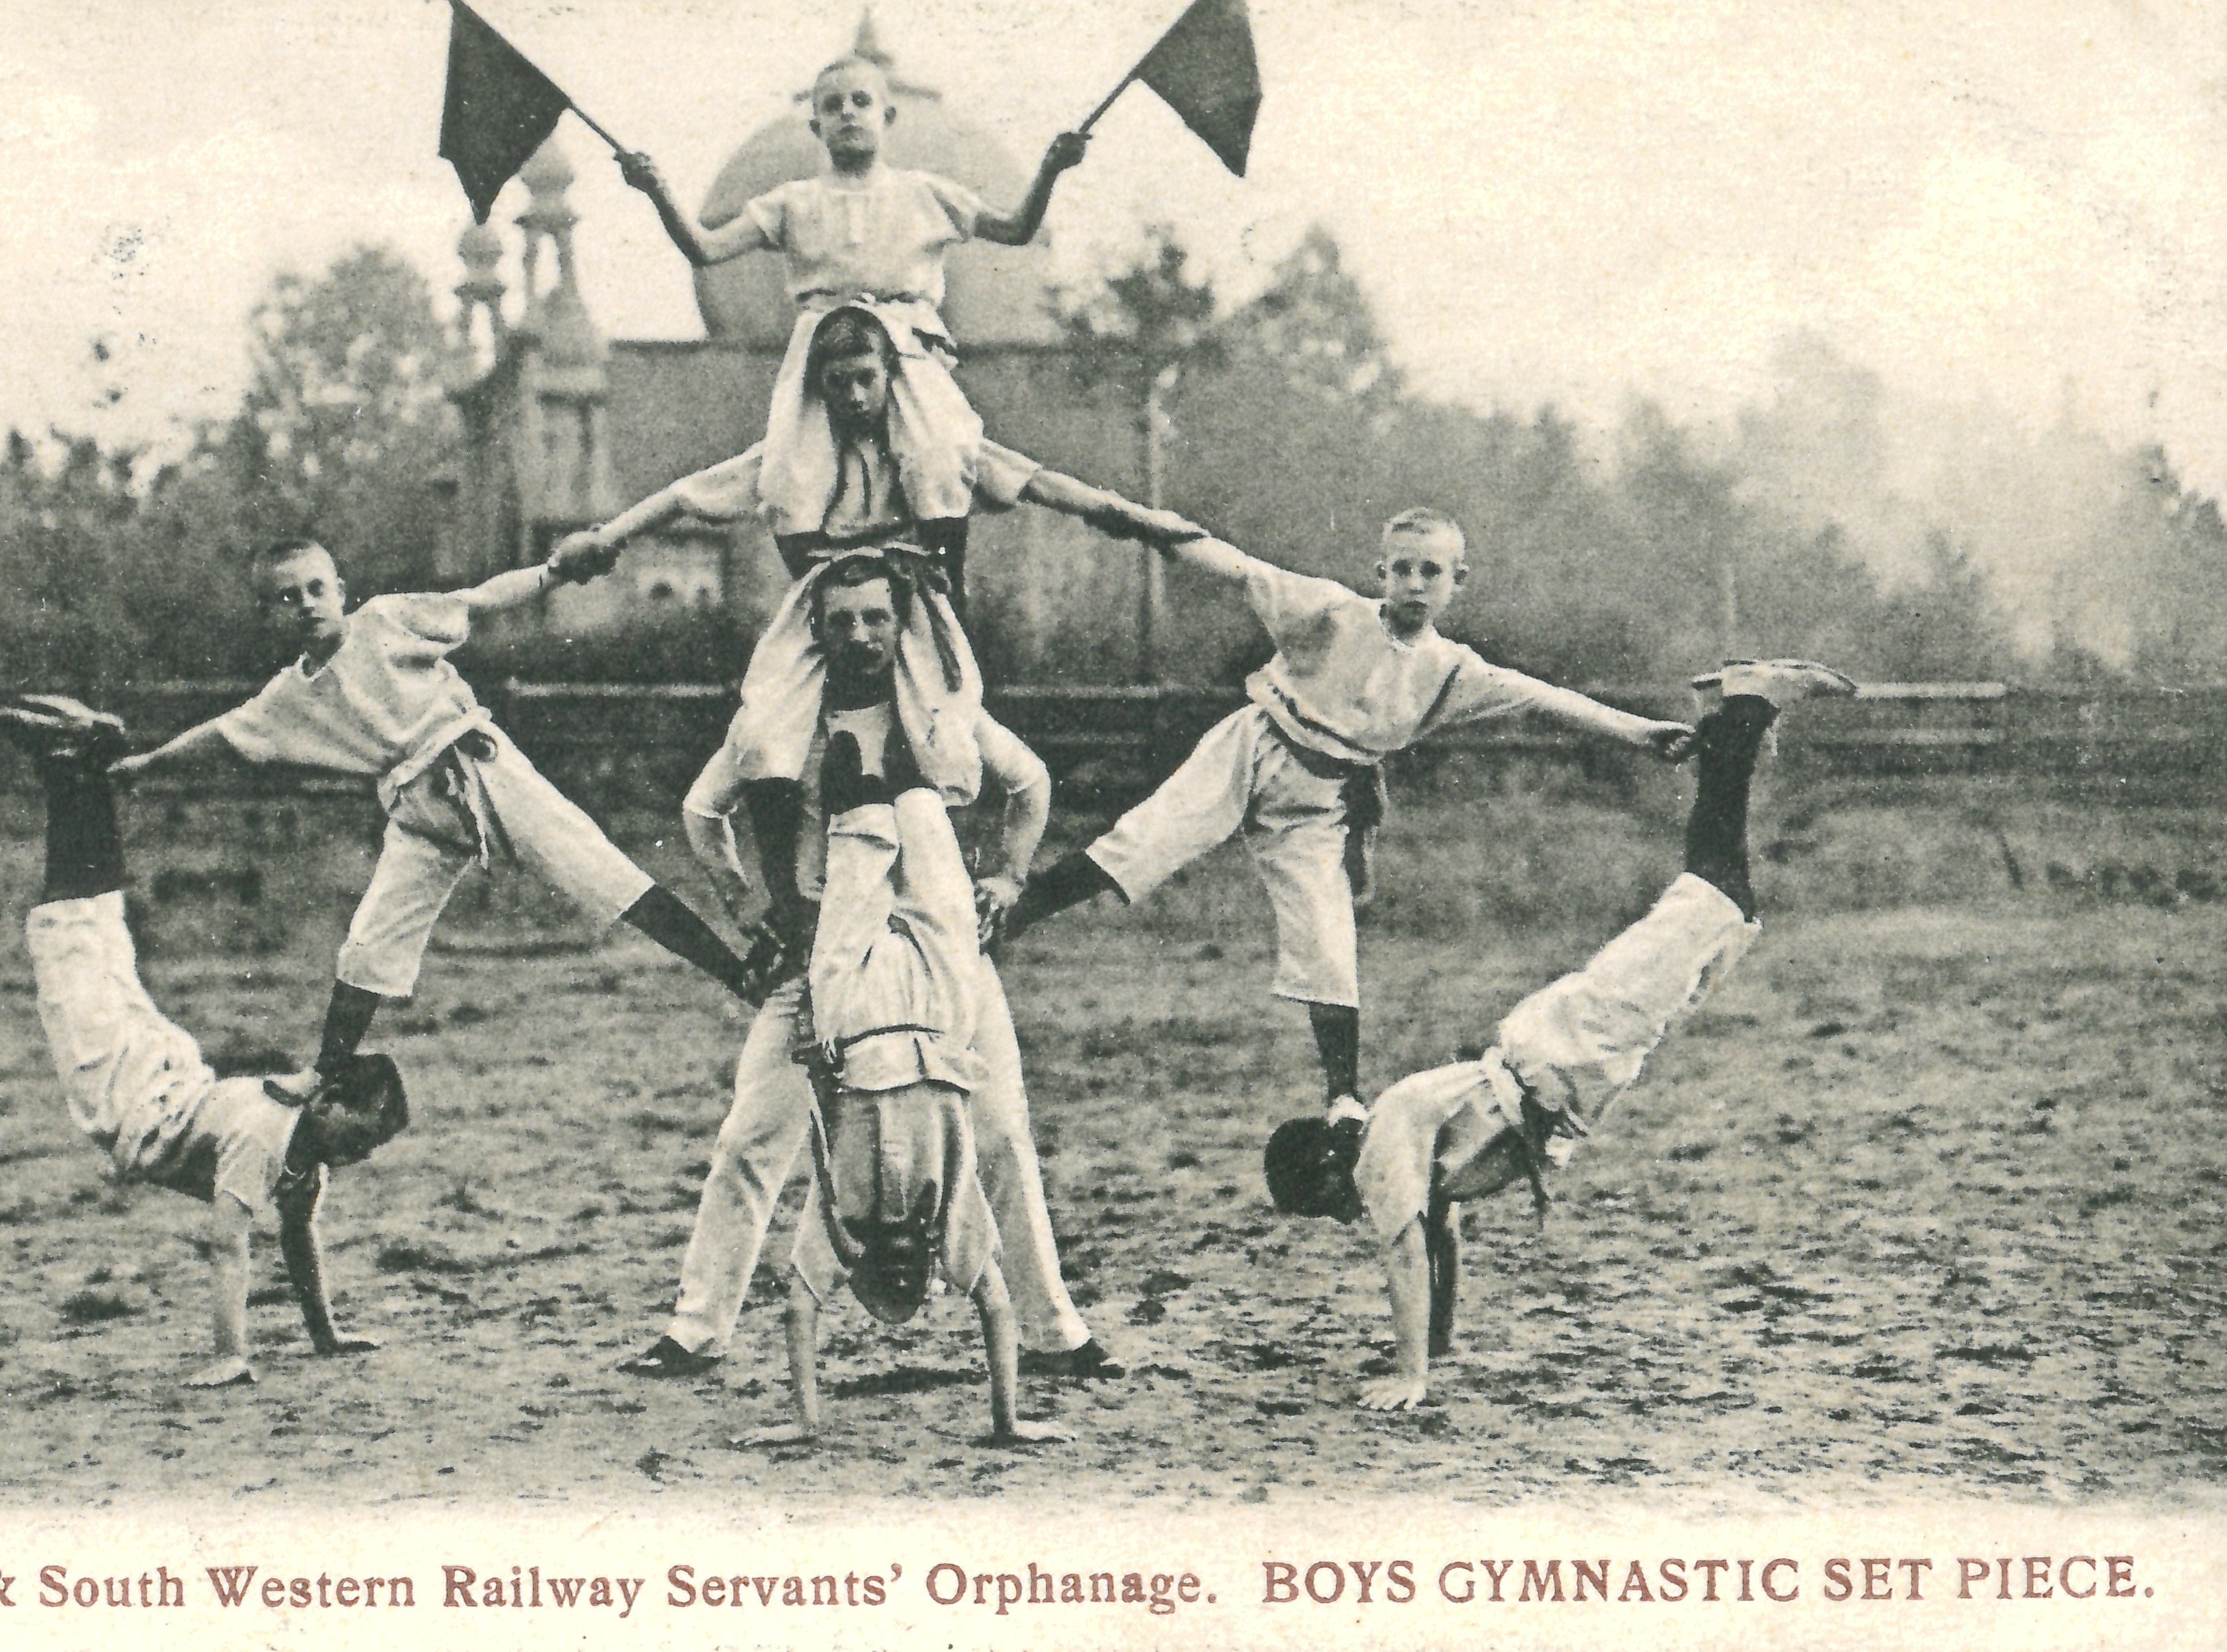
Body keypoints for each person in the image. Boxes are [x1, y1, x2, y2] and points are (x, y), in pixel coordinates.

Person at [1261, 660, 1857, 1411]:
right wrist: (1439, 1343)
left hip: (1566, 1050)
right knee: (1717, 911)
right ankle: (1726, 715)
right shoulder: (1398, 1149)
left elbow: (1406, 1258)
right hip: (1567, 1060)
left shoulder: (1379, 1151)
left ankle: (1745, 707)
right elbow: (1441, 1236)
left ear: (1327, 1165)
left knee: (1718, 901)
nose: (1340, 1216)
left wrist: (1410, 1375)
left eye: (1324, 1204)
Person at [1002, 507, 1699, 1127]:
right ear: (1381, 573)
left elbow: (1543, 699)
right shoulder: (1331, 612)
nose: (1415, 584)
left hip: (1316, 800)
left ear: (1459, 580)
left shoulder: (1453, 671)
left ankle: (1341, 1098)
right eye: (1402, 569)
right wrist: (1113, 513)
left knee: (1328, 942)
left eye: (1432, 571)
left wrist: (1640, 733)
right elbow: (1232, 565)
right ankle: (1004, 916)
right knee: (1144, 844)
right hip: (1253, 746)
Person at [623, 552, 1122, 1383]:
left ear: (901, 625)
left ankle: (1053, 1332)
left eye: (875, 618)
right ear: (816, 626)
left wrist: (1005, 875)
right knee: (754, 1132)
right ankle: (694, 1329)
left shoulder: (935, 709)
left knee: (998, 1125)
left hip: (936, 948)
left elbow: (1029, 783)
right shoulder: (787, 716)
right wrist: (743, 900)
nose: (858, 635)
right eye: (842, 619)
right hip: (823, 950)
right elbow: (700, 809)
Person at [557, 305, 1153, 950]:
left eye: (865, 378)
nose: (853, 396)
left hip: (909, 614)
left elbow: (1034, 480)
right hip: (823, 614)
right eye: (837, 382)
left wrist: (1124, 514)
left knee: (943, 728)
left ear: (890, 375)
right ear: (817, 386)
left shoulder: (930, 449)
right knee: (765, 731)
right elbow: (688, 494)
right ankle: (788, 900)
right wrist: (605, 537)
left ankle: (937, 876)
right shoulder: (794, 460)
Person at [107, 539, 753, 1097]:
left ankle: (745, 978)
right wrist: (146, 766)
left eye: (315, 589)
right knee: (370, 940)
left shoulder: (386, 621)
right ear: (265, 614)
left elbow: (478, 600)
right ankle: (328, 1072)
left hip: (477, 766)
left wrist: (555, 572)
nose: (304, 604)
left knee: (602, 873)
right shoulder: (287, 696)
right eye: (285, 598)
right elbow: (223, 734)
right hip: (415, 809)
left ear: (340, 591)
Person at [0, 694, 407, 1389]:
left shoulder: (304, 1158)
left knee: (98, 934)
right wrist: (230, 1356)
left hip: (166, 1073)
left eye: (373, 1145)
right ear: (326, 1102)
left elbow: (297, 1239)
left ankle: (81, 763)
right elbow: (228, 1246)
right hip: (131, 1089)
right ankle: (72, 770)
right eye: (361, 1132)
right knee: (71, 937)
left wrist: (327, 1337)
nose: (362, 1152)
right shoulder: (268, 1139)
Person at [731, 723, 1070, 1449]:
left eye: (885, 1273)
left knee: (858, 846)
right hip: (941, 1015)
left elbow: (799, 1306)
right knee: (923, 828)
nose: (898, 1260)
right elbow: (996, 1308)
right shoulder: (949, 1216)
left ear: (856, 1269)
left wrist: (804, 1419)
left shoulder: (841, 1222)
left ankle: (853, 768)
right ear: (931, 1267)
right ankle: (904, 750)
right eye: (909, 1274)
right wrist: (1008, 1421)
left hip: (852, 1017)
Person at [617, 52, 1086, 555]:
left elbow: (1015, 230)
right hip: (824, 352)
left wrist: (1051, 170)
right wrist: (657, 191)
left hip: (906, 350)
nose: (848, 113)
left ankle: (945, 576)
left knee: (939, 457)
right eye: (833, 105)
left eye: (861, 101)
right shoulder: (793, 201)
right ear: (815, 125)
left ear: (888, 116)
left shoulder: (924, 193)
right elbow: (705, 249)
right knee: (787, 473)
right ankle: (814, 585)